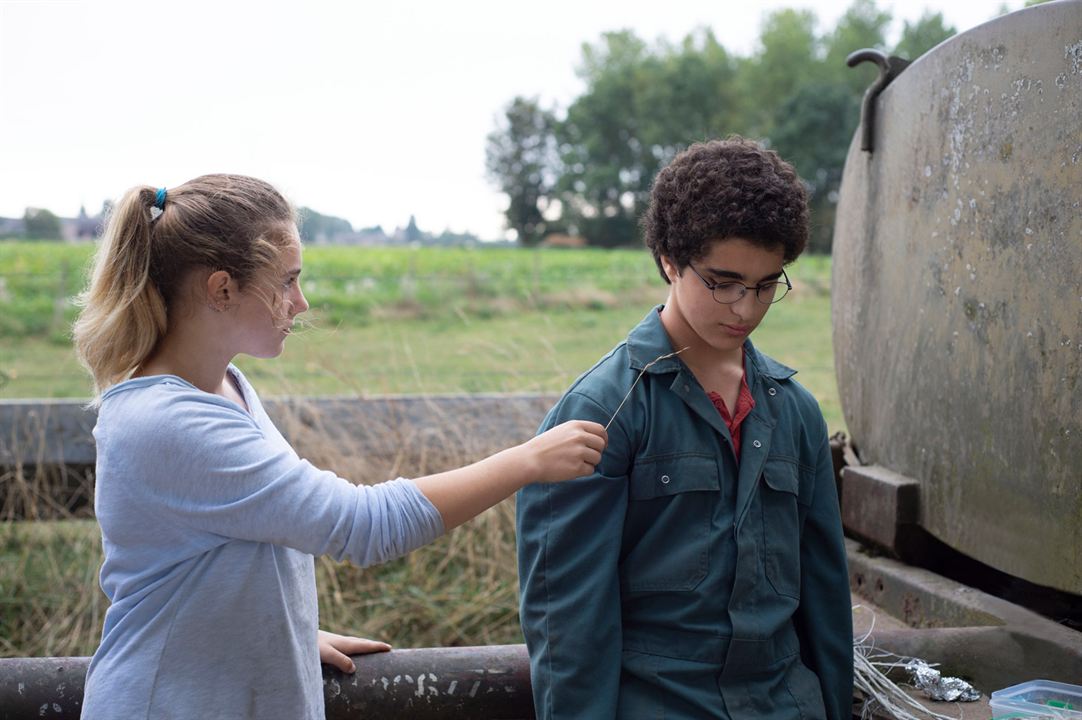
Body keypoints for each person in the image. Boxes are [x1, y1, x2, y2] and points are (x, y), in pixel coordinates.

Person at [71, 174, 607, 720]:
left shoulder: (224, 385)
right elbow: (362, 525)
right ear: (221, 289)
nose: (300, 303)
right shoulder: (167, 422)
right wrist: (528, 460)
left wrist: (284, 634)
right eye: (286, 281)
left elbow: (220, 553)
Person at [516, 137, 852, 719]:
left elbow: (824, 599)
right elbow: (568, 626)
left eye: (767, 285)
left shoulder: (795, 412)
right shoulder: (604, 411)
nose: (744, 308)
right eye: (722, 282)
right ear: (670, 261)